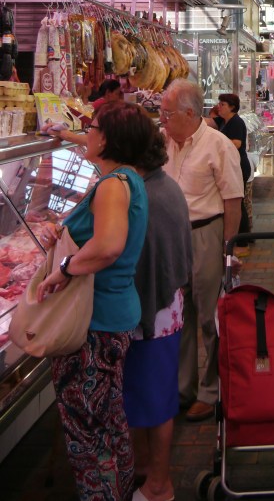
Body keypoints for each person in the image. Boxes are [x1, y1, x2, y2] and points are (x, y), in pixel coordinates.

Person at [37, 102, 149, 501]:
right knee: (107, 421)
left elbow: (108, 247)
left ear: (108, 139)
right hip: (110, 314)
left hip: (94, 323)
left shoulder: (112, 185)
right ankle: (118, 491)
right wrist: (61, 232)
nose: (89, 131)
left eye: (94, 127)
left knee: (88, 431)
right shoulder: (125, 178)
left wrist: (64, 267)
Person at [160, 78, 244, 422]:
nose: (162, 120)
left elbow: (233, 200)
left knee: (210, 316)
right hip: (171, 239)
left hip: (206, 235)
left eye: (167, 114)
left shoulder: (218, 145)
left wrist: (228, 249)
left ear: (189, 113)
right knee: (178, 317)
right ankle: (183, 388)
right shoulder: (164, 142)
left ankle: (211, 392)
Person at [123, 120, 192, 501]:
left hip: (153, 315)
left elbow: (147, 262)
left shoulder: (145, 195)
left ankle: (159, 485)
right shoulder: (161, 185)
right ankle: (145, 468)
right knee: (148, 395)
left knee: (154, 399)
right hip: (162, 310)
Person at [216, 93, 252, 248]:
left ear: (232, 107)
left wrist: (216, 144)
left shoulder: (236, 122)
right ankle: (244, 237)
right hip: (232, 166)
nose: (219, 106)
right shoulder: (225, 122)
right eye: (219, 103)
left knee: (238, 203)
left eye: (223, 104)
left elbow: (237, 143)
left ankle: (243, 240)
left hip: (238, 166)